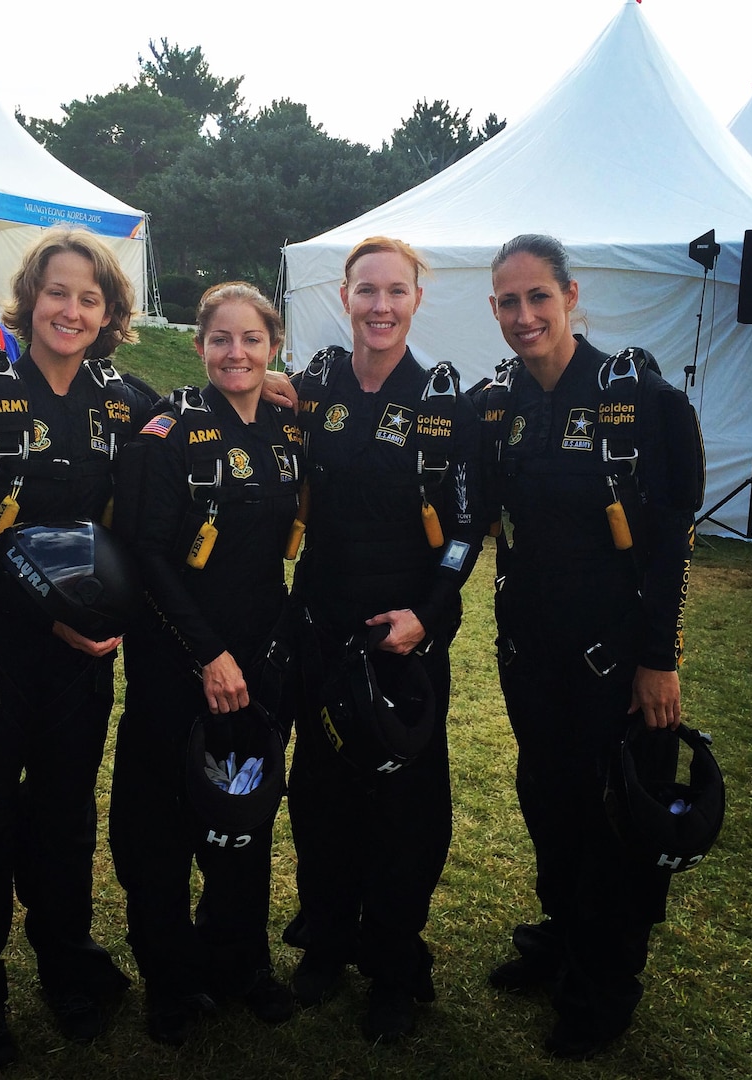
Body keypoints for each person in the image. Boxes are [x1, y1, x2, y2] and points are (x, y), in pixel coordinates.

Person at [0, 227, 153, 1069]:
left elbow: (201, 422)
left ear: (111, 311)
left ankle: (66, 963)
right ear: (30, 298)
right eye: (58, 292)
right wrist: (42, 610)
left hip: (82, 661)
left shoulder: (126, 403)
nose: (72, 310)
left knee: (62, 816)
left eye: (90, 297)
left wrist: (271, 383)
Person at [471, 233, 705, 1060]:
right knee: (550, 802)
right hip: (531, 656)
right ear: (493, 309)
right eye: (508, 301)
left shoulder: (641, 399)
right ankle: (565, 939)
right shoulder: (498, 403)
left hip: (619, 660)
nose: (524, 315)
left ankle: (603, 989)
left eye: (539, 297)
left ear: (572, 296)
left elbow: (673, 540)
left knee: (614, 822)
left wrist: (660, 658)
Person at [286, 236, 485, 1043]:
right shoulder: (316, 384)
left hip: (403, 642)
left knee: (406, 814)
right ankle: (328, 940)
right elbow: (249, 392)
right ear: (344, 294)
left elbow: (469, 530)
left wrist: (428, 616)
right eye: (366, 290)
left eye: (395, 292)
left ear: (416, 300)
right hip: (320, 631)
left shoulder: (448, 407)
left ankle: (394, 965)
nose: (380, 306)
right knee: (320, 797)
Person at [109, 282, 301, 1045]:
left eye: (252, 339)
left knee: (243, 815)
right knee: (158, 827)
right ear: (198, 346)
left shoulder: (288, 431)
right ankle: (170, 977)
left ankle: (241, 961)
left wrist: (255, 656)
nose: (237, 353)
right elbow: (146, 557)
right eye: (221, 339)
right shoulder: (166, 433)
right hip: (177, 660)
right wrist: (207, 654)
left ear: (272, 346)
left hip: (258, 662)